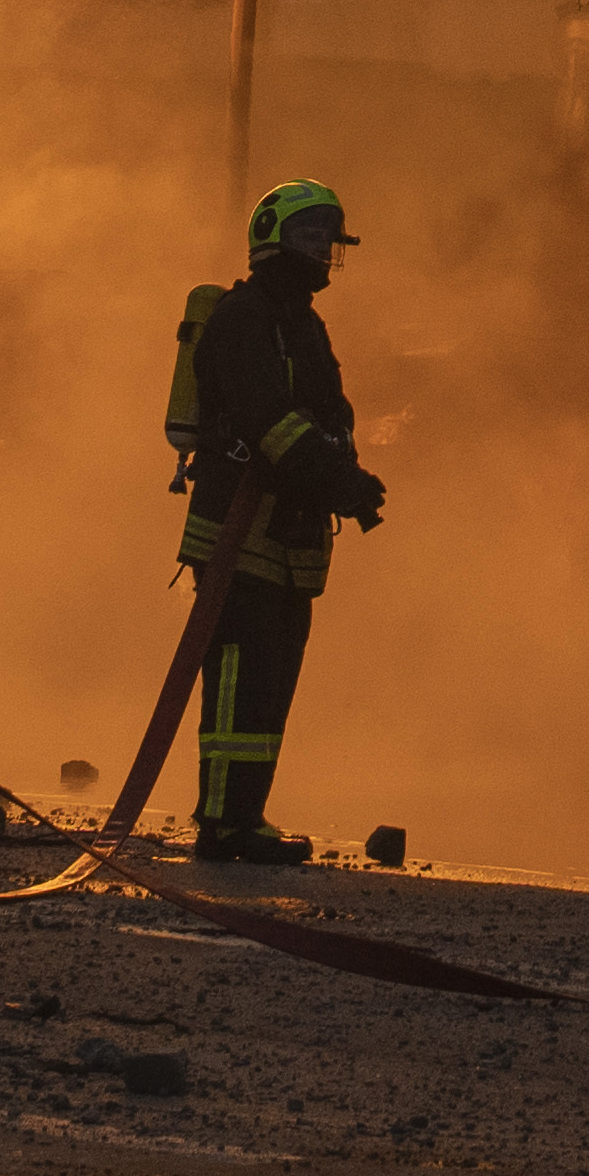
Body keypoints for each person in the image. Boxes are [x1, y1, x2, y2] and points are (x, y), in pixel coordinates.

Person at [164, 176, 388, 865]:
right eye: (309, 234)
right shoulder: (242, 320)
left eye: (328, 238)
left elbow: (327, 412)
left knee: (270, 682)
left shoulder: (302, 324)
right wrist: (338, 481)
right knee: (238, 678)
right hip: (239, 532)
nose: (321, 250)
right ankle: (222, 823)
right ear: (272, 238)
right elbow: (270, 421)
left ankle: (246, 817)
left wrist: (345, 468)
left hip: (286, 536)